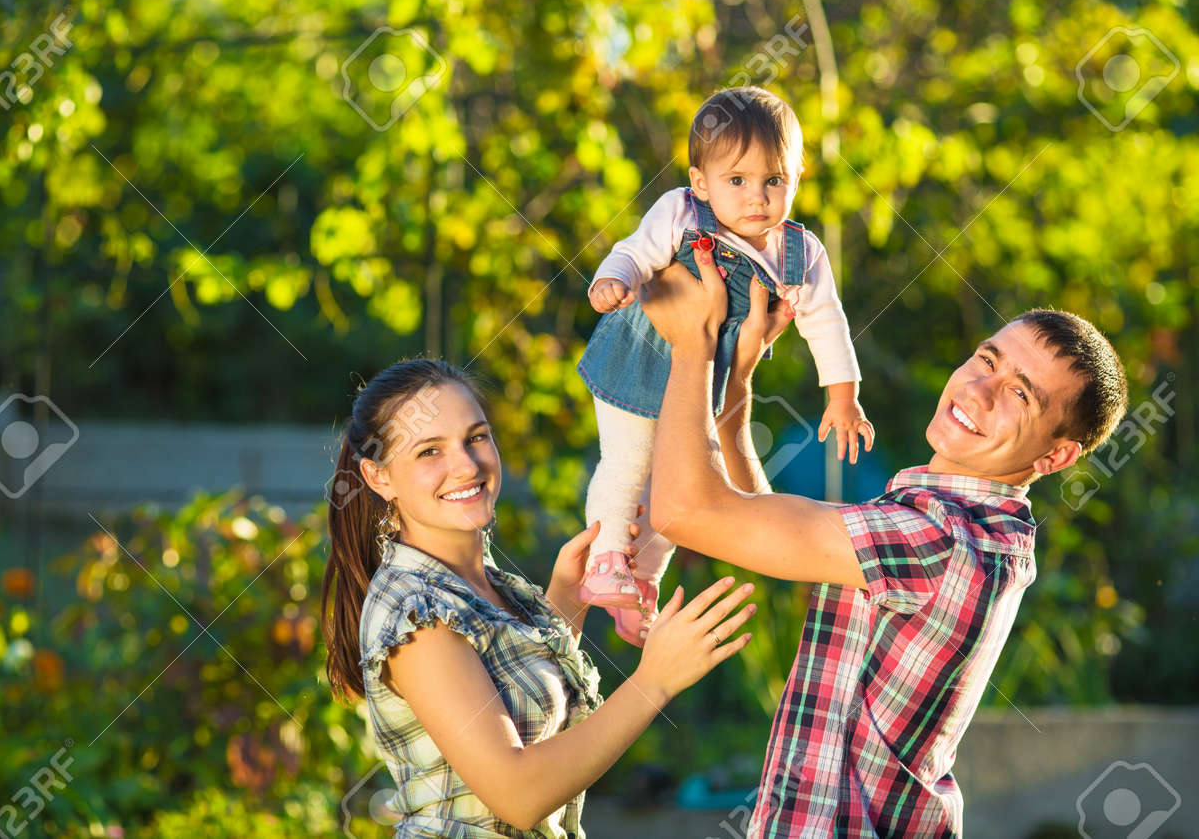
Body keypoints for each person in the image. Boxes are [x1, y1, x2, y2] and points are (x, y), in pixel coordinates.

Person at [637, 251, 1128, 836]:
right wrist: (737, 379)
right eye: (986, 360)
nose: (979, 390)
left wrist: (691, 343)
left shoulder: (937, 538)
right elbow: (766, 525)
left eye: (1021, 395)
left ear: (1055, 456)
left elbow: (685, 512)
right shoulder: (969, 530)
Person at [320, 358, 758, 837]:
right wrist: (653, 681)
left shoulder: (485, 586)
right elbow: (518, 796)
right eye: (429, 452)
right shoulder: (416, 613)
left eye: (476, 437)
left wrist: (566, 603)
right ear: (378, 476)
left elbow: (516, 707)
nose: (467, 465)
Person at [576, 85, 875, 647]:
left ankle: (641, 582)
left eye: (773, 180)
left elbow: (827, 324)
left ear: (796, 178)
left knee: (676, 490)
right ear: (700, 183)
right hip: (636, 360)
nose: (756, 197)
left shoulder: (801, 253)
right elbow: (635, 251)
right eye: (736, 181)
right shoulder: (679, 212)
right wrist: (612, 279)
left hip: (702, 385)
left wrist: (842, 396)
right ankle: (606, 558)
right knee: (628, 462)